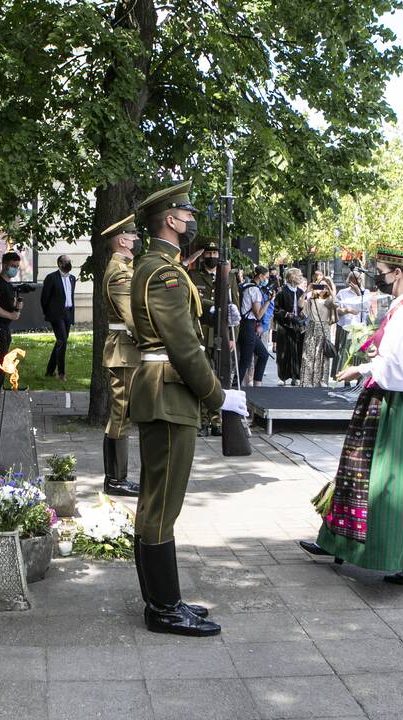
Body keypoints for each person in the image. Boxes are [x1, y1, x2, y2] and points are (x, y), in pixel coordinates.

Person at [130, 180, 247, 637]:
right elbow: (183, 345)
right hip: (168, 392)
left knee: (156, 501)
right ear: (171, 219)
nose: (192, 218)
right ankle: (162, 609)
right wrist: (218, 396)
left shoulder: (162, 267)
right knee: (162, 505)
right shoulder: (164, 273)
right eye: (187, 212)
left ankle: (164, 599)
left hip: (163, 391)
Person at [301, 246, 403, 586]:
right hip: (402, 400)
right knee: (358, 473)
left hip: (397, 405)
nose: (376, 275)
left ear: (397, 273)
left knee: (389, 482)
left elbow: (398, 369)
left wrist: (360, 368)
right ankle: (339, 541)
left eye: (380, 269)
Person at [100, 215, 142, 497]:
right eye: (134, 237)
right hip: (124, 351)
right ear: (123, 240)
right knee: (121, 414)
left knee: (122, 414)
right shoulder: (120, 272)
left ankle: (116, 478)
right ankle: (116, 480)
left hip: (125, 349)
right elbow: (132, 318)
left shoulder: (125, 268)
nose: (138, 241)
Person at [189, 241, 229, 434]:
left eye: (215, 252)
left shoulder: (226, 277)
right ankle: (202, 420)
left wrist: (232, 337)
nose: (212, 256)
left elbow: (233, 308)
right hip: (201, 332)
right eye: (209, 252)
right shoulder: (193, 276)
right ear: (203, 255)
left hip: (220, 332)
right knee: (203, 375)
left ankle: (217, 420)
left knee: (219, 377)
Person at [0, 252, 24, 411]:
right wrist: (10, 314)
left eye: (17, 266)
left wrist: (16, 309)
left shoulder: (8, 285)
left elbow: (9, 308)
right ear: (5, 265)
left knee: (2, 363)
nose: (14, 269)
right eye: (12, 266)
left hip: (4, 328)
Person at [41, 254, 77, 381]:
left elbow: (70, 297)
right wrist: (48, 312)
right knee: (63, 341)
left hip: (68, 313)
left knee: (60, 342)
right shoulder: (51, 278)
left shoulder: (73, 278)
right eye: (66, 261)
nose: (69, 263)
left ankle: (49, 371)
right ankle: (61, 373)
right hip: (56, 314)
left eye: (69, 261)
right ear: (60, 263)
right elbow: (44, 298)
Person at [238, 265, 274, 386]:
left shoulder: (245, 286)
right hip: (248, 325)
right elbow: (258, 314)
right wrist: (269, 301)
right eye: (266, 277)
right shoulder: (255, 290)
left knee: (263, 355)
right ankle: (234, 385)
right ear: (260, 276)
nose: (267, 280)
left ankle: (257, 386)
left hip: (245, 325)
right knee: (245, 360)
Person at [274, 268, 306, 386]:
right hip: (285, 325)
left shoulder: (301, 292)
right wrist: (286, 314)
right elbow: (276, 309)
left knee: (297, 350)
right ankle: (282, 376)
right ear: (292, 277)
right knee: (283, 351)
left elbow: (303, 308)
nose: (301, 277)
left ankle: (296, 376)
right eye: (299, 275)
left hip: (297, 326)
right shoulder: (282, 291)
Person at [334, 270, 369, 382]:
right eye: (354, 279)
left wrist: (358, 293)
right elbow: (336, 310)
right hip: (346, 326)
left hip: (360, 328)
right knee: (344, 353)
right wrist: (346, 310)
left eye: (358, 279)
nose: (356, 281)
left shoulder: (365, 292)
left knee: (360, 354)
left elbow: (366, 308)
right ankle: (345, 380)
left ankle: (360, 380)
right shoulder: (342, 293)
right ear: (349, 280)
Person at [300, 281, 335, 386]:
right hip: (312, 328)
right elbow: (300, 305)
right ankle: (307, 381)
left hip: (324, 328)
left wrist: (330, 290)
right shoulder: (311, 300)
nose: (322, 289)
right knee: (309, 353)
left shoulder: (329, 301)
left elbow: (337, 305)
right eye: (320, 286)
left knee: (323, 354)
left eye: (324, 287)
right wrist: (307, 291)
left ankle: (322, 380)